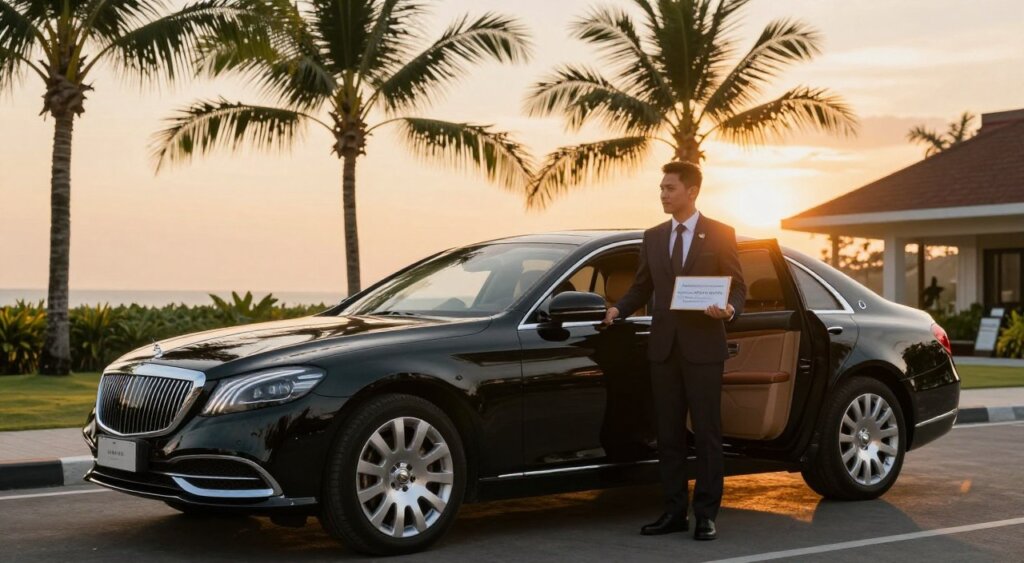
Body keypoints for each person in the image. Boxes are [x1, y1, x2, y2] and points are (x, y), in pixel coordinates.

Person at [602, 161, 746, 541]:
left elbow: (738, 287)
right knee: (668, 436)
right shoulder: (652, 237)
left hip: (704, 349)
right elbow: (641, 287)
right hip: (663, 350)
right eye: (661, 188)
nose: (663, 194)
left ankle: (707, 515)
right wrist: (619, 308)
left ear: (692, 191)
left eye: (670, 188)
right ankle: (673, 512)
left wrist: (728, 309)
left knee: (707, 435)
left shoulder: (720, 233)